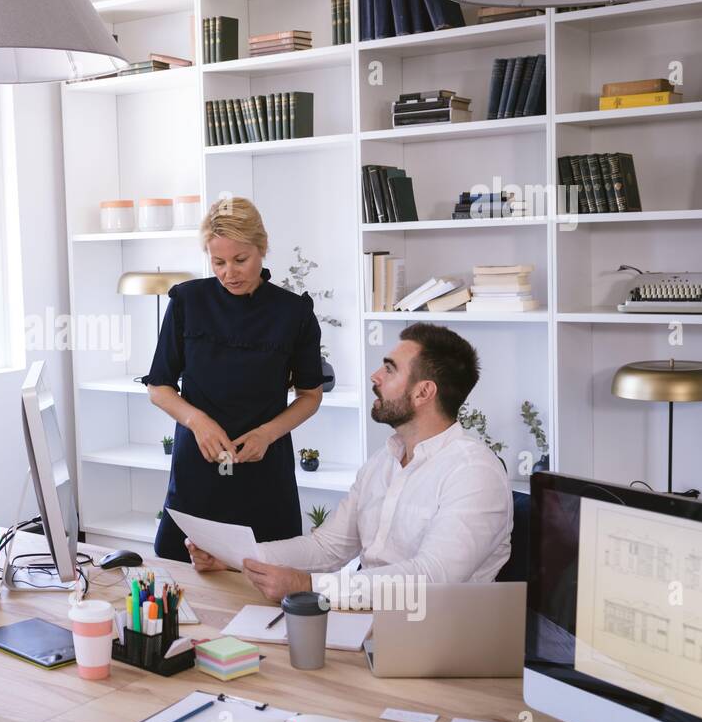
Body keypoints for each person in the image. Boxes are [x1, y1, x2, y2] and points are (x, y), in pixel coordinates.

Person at [187, 323, 512, 602]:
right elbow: (328, 548)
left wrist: (310, 586)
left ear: (423, 392)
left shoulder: (474, 473)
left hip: (437, 640)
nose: (376, 376)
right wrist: (237, 559)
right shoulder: (383, 461)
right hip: (368, 623)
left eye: (390, 369)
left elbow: (431, 578)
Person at [143, 196, 324, 563]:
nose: (229, 272)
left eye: (241, 260)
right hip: (198, 468)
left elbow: (310, 395)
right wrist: (198, 422)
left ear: (262, 248)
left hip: (265, 472)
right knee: (183, 575)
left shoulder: (294, 314)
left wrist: (267, 434)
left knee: (268, 581)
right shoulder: (187, 302)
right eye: (218, 262)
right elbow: (159, 388)